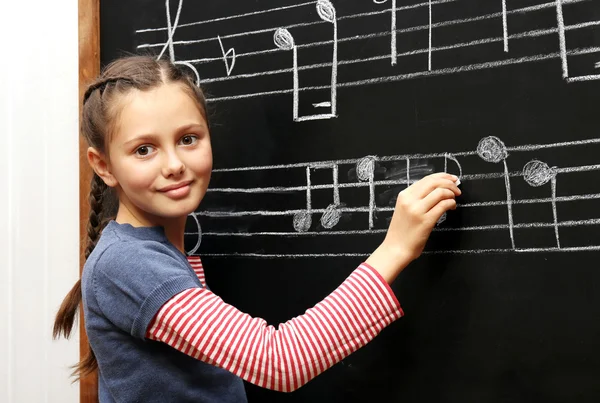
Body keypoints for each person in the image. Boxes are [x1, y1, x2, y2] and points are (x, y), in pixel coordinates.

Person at [53, 55, 461, 402]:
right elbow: (278, 361)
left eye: (189, 139)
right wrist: (395, 250)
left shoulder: (149, 253)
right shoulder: (129, 264)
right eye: (144, 149)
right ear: (103, 165)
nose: (174, 163)